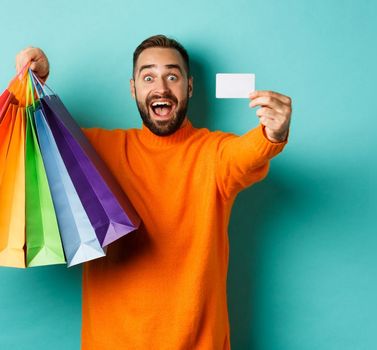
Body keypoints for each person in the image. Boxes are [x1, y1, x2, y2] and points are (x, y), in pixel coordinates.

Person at [15, 34, 292, 349]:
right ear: (134, 89)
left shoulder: (214, 154)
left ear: (189, 87)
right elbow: (33, 143)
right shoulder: (95, 151)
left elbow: (249, 152)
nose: (161, 88)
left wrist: (274, 132)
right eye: (148, 77)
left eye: (172, 76)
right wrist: (35, 89)